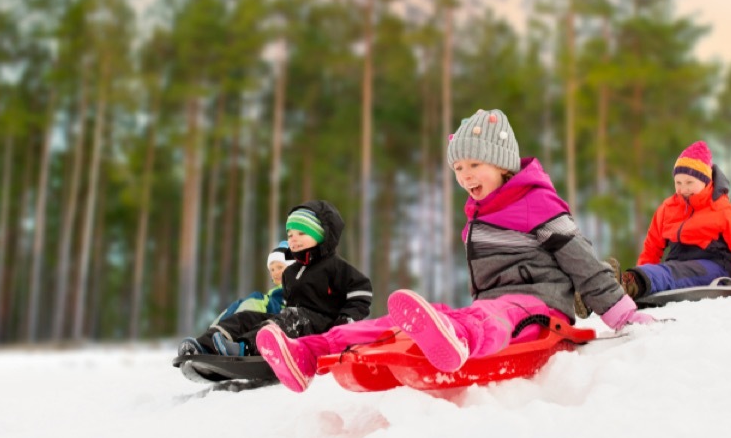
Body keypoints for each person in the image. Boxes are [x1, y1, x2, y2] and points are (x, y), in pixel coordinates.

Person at [255, 108, 655, 393]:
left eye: (473, 165)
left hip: (540, 309)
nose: (464, 176)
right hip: (492, 311)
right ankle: (310, 351)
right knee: (419, 320)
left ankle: (458, 338)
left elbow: (582, 260)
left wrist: (622, 314)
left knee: (488, 316)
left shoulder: (539, 203)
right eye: (458, 169)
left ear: (503, 166)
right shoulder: (482, 214)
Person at [178, 202, 374, 357]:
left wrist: (346, 320)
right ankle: (206, 346)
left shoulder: (334, 265)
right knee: (248, 317)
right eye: (289, 235)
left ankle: (245, 348)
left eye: (301, 233)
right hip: (293, 320)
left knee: (287, 320)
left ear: (320, 235)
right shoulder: (291, 272)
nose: (293, 239)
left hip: (322, 325)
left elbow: (362, 291)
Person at [618, 140, 731, 300]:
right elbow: (652, 248)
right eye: (678, 183)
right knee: (669, 271)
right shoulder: (667, 209)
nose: (683, 189)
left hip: (713, 268)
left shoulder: (725, 212)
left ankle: (630, 283)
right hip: (675, 267)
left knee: (671, 273)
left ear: (706, 182)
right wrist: (641, 275)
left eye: (689, 183)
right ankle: (616, 285)